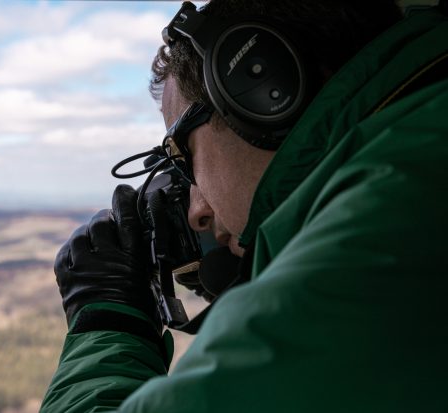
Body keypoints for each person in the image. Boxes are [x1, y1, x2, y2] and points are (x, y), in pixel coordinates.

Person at [41, 0, 448, 411]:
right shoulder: (415, 153)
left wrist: (108, 320)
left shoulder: (380, 240)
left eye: (182, 156)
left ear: (265, 92)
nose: (196, 211)